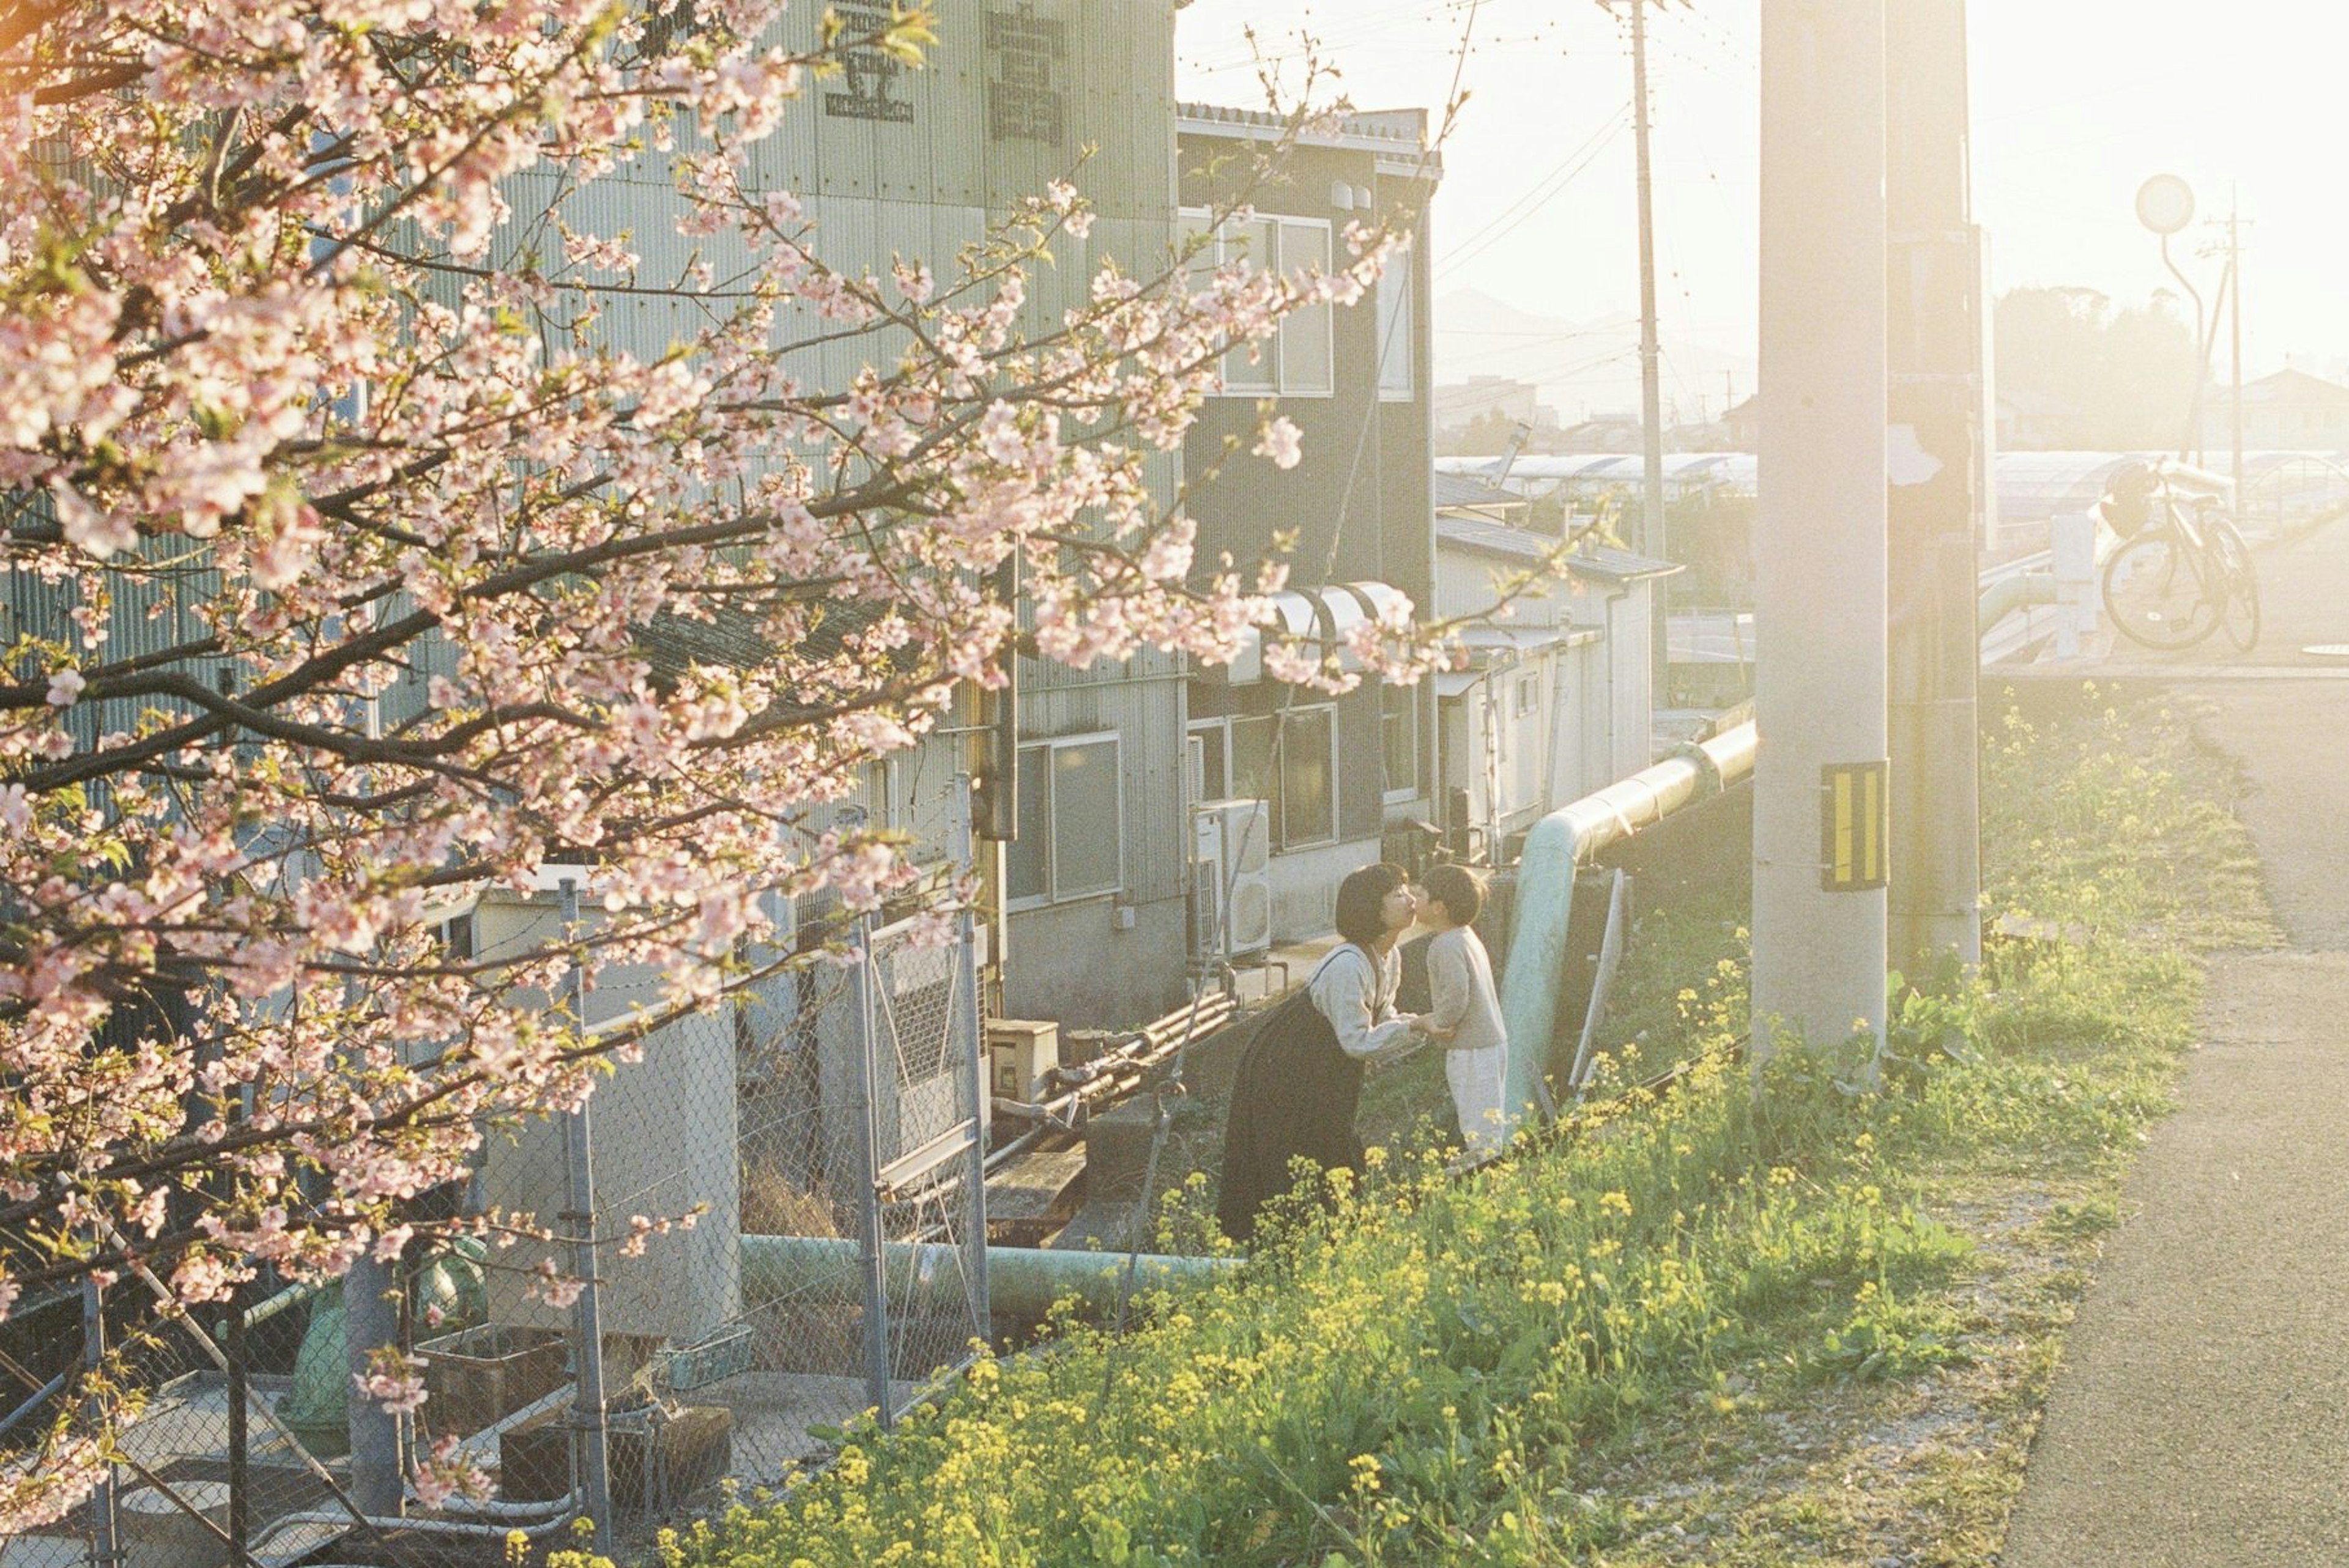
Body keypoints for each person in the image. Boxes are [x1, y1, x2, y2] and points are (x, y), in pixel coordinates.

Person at [1215, 863, 1447, 1243]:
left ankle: (1332, 1243)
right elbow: (1357, 1041)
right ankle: (1287, 1252)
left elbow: (1382, 1018)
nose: (1409, 899)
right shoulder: (1348, 964)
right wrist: (1418, 1026)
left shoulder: (1389, 958)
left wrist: (1420, 1027)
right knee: (1290, 1163)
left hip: (1324, 1070)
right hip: (1288, 1069)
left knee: (1332, 1154)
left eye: (1408, 889)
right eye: (1397, 893)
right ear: (1372, 909)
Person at [1419, 862, 1510, 1163]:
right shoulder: (1466, 936)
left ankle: (1486, 1174)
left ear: (1439, 908)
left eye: (1421, 896)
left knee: (1479, 1128)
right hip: (1490, 1042)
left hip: (1471, 1046)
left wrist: (1439, 1022)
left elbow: (1457, 994)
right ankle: (1486, 1166)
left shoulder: (1444, 945)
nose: (1414, 901)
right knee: (1487, 1119)